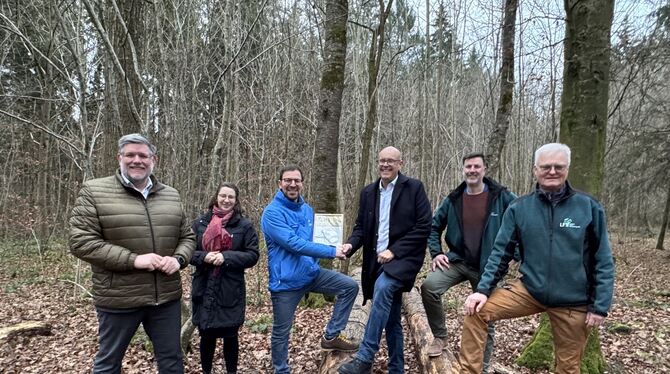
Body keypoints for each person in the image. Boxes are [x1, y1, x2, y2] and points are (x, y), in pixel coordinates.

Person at [458, 143, 615, 374]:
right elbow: (500, 253)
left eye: (558, 167)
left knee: (569, 367)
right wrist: (482, 290)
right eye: (546, 167)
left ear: (567, 169)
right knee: (477, 311)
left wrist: (600, 306)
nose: (552, 171)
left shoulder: (588, 207)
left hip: (574, 301)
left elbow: (603, 259)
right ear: (535, 170)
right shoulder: (520, 208)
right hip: (530, 290)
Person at [69, 133, 195, 374]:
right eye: (130, 155)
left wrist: (178, 260)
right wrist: (134, 260)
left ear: (153, 160)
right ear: (120, 158)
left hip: (165, 298)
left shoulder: (171, 194)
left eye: (143, 155)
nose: (137, 160)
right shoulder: (95, 191)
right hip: (119, 296)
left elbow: (187, 237)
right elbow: (80, 241)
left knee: (171, 360)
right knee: (108, 363)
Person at [338, 147, 432, 374]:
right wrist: (350, 245)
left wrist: (394, 251)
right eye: (382, 161)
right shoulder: (368, 192)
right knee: (391, 319)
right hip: (375, 262)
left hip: (403, 260)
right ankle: (397, 368)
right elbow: (361, 228)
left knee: (383, 288)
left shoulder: (414, 188)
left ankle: (365, 357)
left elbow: (423, 226)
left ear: (400, 163)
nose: (385, 165)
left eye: (391, 161)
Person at [419, 153, 516, 370]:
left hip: (489, 266)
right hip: (459, 261)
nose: (472, 170)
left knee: (486, 313)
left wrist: (514, 256)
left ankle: (482, 364)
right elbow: (433, 227)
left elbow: (524, 225)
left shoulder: (502, 197)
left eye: (476, 166)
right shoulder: (454, 198)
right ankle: (440, 337)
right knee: (429, 287)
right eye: (468, 166)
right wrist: (436, 253)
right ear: (463, 169)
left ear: (484, 169)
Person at [261, 165, 359, 374]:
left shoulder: (307, 210)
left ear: (302, 184)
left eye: (296, 180)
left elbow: (316, 239)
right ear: (280, 184)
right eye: (288, 180)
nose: (292, 184)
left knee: (349, 286)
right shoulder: (272, 213)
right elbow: (294, 244)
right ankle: (281, 369)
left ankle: (331, 336)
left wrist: (335, 240)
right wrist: (333, 251)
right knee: (282, 331)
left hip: (310, 273)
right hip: (286, 282)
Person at [190, 182, 259, 374]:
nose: (226, 200)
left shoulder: (244, 226)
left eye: (231, 197)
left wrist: (226, 257)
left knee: (230, 336)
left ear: (236, 201)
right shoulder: (200, 224)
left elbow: (253, 255)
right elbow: (187, 253)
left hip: (230, 289)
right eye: (223, 196)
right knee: (206, 336)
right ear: (216, 197)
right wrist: (204, 257)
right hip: (204, 287)